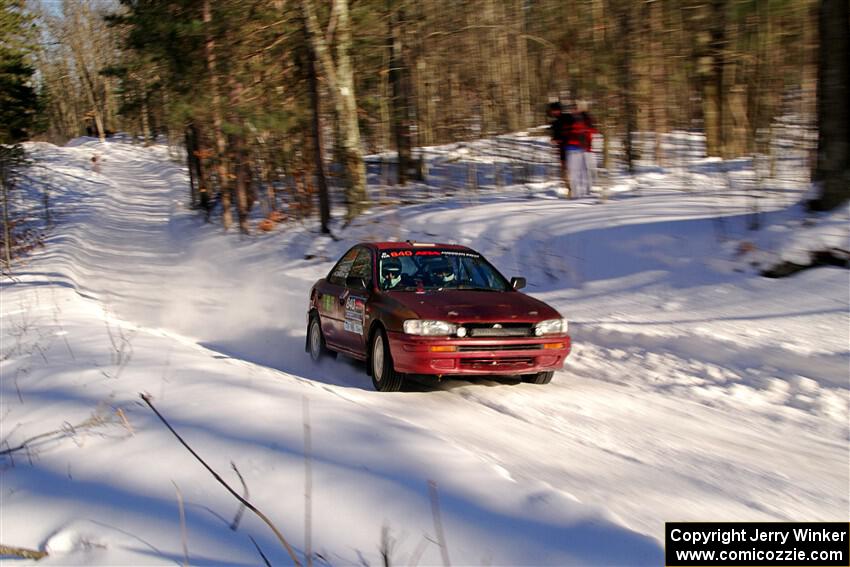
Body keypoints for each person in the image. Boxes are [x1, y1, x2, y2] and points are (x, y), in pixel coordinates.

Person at [548, 101, 574, 194]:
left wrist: (558, 139)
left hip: (570, 148)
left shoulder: (566, 118)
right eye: (552, 111)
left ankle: (573, 189)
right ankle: (570, 189)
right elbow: (555, 136)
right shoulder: (556, 122)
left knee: (569, 169)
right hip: (564, 148)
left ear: (558, 110)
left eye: (553, 110)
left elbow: (571, 132)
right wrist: (554, 139)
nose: (552, 112)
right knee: (565, 169)